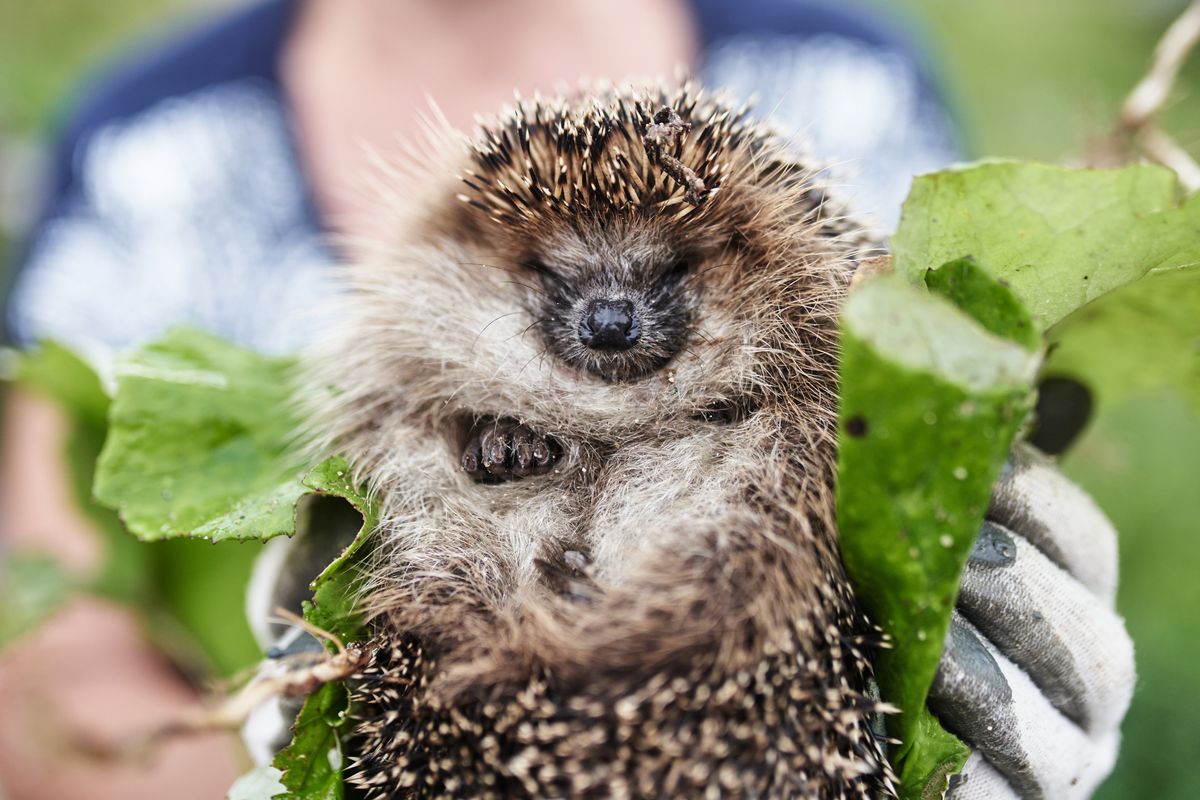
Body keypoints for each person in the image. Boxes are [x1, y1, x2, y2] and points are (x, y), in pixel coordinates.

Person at [0, 1, 1131, 798]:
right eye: (560, 280)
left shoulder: (848, 72)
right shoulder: (146, 149)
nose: (608, 322)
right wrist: (291, 757)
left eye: (663, 277)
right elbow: (43, 671)